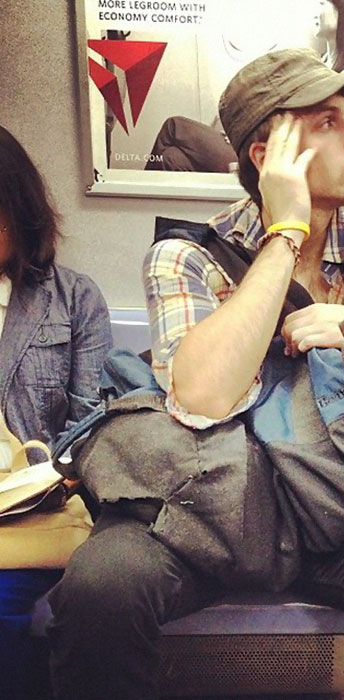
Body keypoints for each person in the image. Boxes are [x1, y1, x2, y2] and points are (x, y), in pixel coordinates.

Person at [47, 49, 344, 700]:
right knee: (101, 585)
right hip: (201, 511)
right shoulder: (184, 257)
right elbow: (201, 398)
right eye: (327, 121)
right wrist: (285, 234)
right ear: (267, 156)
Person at [0, 125, 112, 699]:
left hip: (35, 511)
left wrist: (48, 476)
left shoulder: (72, 298)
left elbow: (92, 420)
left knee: (6, 613)